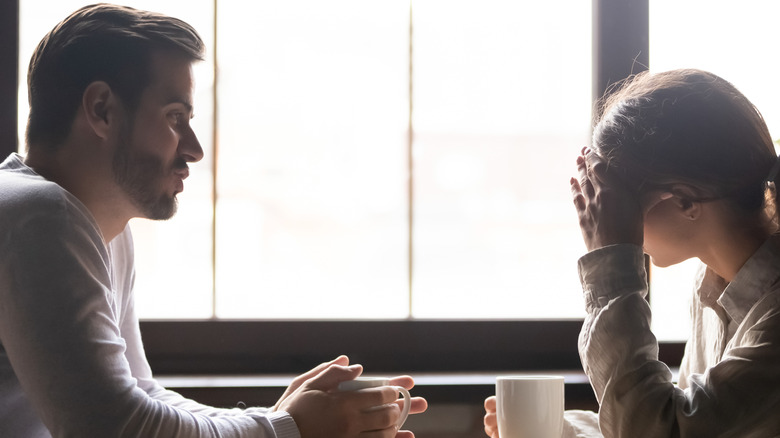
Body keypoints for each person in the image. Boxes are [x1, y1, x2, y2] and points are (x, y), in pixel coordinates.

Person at [0, 4, 426, 437]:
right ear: (103, 109)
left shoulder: (99, 228)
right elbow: (113, 427)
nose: (194, 149)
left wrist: (281, 418)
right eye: (174, 118)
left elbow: (141, 396)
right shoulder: (38, 215)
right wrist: (285, 428)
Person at [484, 68, 780, 437]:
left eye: (616, 200)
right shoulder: (713, 288)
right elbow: (679, 420)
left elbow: (655, 429)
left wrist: (611, 264)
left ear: (686, 200)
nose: (603, 215)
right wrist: (557, 429)